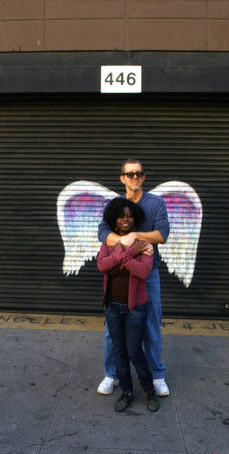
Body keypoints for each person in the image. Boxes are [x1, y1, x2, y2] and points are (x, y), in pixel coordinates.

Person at [97, 159, 170, 397]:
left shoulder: (156, 203)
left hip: (146, 274)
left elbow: (162, 234)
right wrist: (128, 244)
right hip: (118, 275)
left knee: (151, 326)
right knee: (112, 330)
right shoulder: (116, 204)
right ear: (122, 178)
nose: (134, 177)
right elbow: (102, 233)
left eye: (138, 173)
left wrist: (135, 237)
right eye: (129, 174)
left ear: (144, 177)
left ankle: (157, 375)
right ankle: (112, 374)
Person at [97, 197, 159, 412]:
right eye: (121, 216)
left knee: (134, 351)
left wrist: (121, 257)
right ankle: (127, 392)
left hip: (135, 308)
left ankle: (149, 390)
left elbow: (143, 272)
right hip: (113, 307)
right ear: (114, 221)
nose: (126, 219)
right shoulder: (109, 244)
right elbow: (102, 266)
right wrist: (131, 252)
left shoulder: (146, 244)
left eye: (129, 216)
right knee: (119, 352)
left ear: (135, 221)